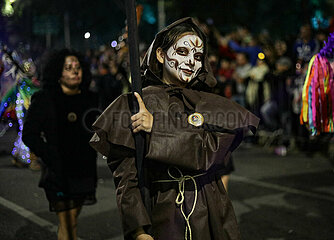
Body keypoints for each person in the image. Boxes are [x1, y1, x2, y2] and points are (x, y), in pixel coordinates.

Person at [90, 18, 259, 240]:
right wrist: (138, 230)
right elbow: (127, 176)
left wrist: (157, 128)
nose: (190, 61)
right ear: (160, 54)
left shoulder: (212, 105)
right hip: (162, 212)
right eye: (182, 51)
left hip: (209, 211)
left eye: (198, 56)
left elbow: (208, 154)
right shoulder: (138, 102)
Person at [22, 49, 98, 240]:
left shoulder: (90, 99)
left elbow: (100, 129)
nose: (75, 72)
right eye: (68, 68)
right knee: (68, 222)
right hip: (58, 171)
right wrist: (49, 155)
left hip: (84, 169)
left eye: (78, 67)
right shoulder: (44, 99)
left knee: (73, 220)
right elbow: (29, 135)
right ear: (57, 72)